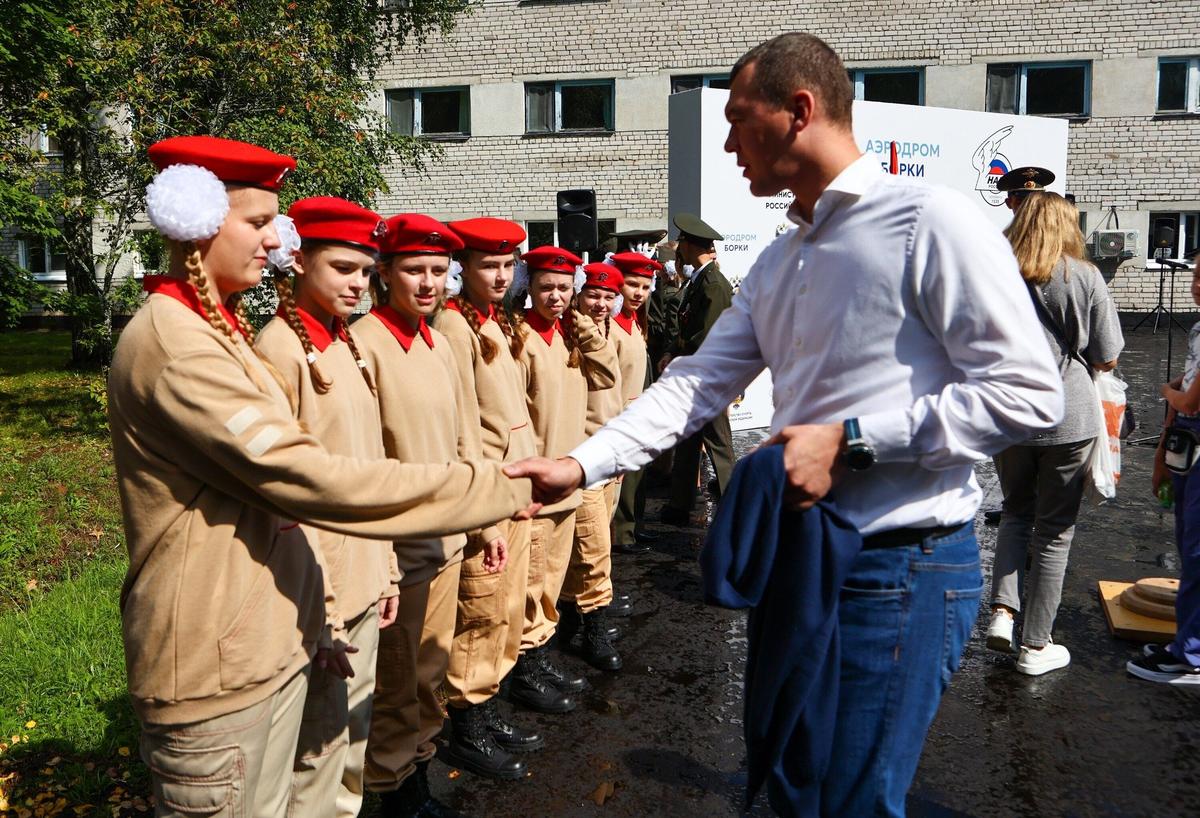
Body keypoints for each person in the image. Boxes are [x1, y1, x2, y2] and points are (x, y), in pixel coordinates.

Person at [506, 32, 1063, 816]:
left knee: (852, 802)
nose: (729, 141)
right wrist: (580, 463)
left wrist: (853, 440)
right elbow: (699, 380)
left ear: (799, 110)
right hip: (799, 561)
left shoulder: (929, 222)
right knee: (792, 786)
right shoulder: (783, 255)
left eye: (739, 119)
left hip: (900, 571)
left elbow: (1029, 395)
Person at [109, 136, 535, 816]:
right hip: (219, 658)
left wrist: (322, 610)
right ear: (195, 220)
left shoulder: (214, 332)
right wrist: (505, 488)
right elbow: (306, 480)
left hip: (264, 634)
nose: (275, 240)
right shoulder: (178, 345)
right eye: (257, 223)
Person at [354, 214, 505, 814]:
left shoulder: (439, 340)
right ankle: (391, 791)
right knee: (395, 681)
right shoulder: (364, 343)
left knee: (430, 672)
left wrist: (484, 518)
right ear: (384, 273)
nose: (428, 282)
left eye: (439, 271)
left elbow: (468, 435)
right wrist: (384, 557)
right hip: (400, 548)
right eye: (414, 269)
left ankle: (416, 768)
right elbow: (365, 462)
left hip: (446, 541)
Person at [255, 196, 399, 818]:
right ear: (298, 262)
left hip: (363, 570)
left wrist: (386, 564)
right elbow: (281, 493)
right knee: (316, 743)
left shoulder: (346, 344)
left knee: (348, 736)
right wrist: (325, 611)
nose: (358, 283)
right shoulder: (279, 351)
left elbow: (370, 465)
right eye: (342, 267)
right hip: (318, 585)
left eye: (365, 271)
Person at [983, 191, 1123, 676]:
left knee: (1016, 513)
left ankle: (1002, 612)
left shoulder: (993, 274)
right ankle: (1036, 645)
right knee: (1054, 533)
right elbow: (1107, 355)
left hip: (1007, 414)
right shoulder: (1084, 276)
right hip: (1067, 415)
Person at [435, 217, 547, 779]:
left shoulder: (491, 322)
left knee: (503, 606)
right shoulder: (456, 328)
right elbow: (463, 425)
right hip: (489, 492)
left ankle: (488, 703)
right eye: (488, 265)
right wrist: (486, 506)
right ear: (465, 269)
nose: (501, 275)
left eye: (508, 265)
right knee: (480, 610)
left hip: (513, 488)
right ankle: (467, 724)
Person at [514, 247, 620, 694]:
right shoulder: (521, 337)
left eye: (563, 288)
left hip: (570, 477)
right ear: (530, 289)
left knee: (555, 575)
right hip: (539, 482)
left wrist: (585, 330)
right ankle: (525, 668)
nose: (555, 296)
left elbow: (607, 377)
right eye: (546, 287)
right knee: (533, 582)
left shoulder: (568, 336)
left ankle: (541, 655)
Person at [1134, 255, 1200, 685]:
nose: (1198, 284)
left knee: (1197, 552)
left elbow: (1191, 401)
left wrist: (1167, 391)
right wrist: (1162, 452)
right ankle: (1186, 641)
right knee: (1187, 542)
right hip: (1189, 448)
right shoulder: (1198, 330)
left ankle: (1191, 655)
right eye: (1197, 276)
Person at [559, 261, 626, 671]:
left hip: (609, 455)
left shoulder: (609, 332)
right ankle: (594, 629)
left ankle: (569, 623)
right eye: (592, 295)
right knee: (594, 549)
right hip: (581, 458)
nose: (599, 304)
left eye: (607, 297)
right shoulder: (571, 336)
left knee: (585, 549)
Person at [661, 212, 735, 525]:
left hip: (707, 375)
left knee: (718, 443)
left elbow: (709, 334)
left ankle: (735, 503)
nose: (680, 250)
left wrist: (678, 354)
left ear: (690, 246)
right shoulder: (701, 279)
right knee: (688, 441)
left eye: (683, 245)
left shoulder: (713, 283)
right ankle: (679, 505)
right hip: (696, 374)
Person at [609, 251, 662, 555]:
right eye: (632, 285)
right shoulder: (612, 324)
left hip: (638, 411)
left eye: (644, 287)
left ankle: (634, 526)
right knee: (624, 479)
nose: (639, 293)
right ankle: (622, 534)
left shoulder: (633, 320)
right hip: (621, 414)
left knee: (639, 475)